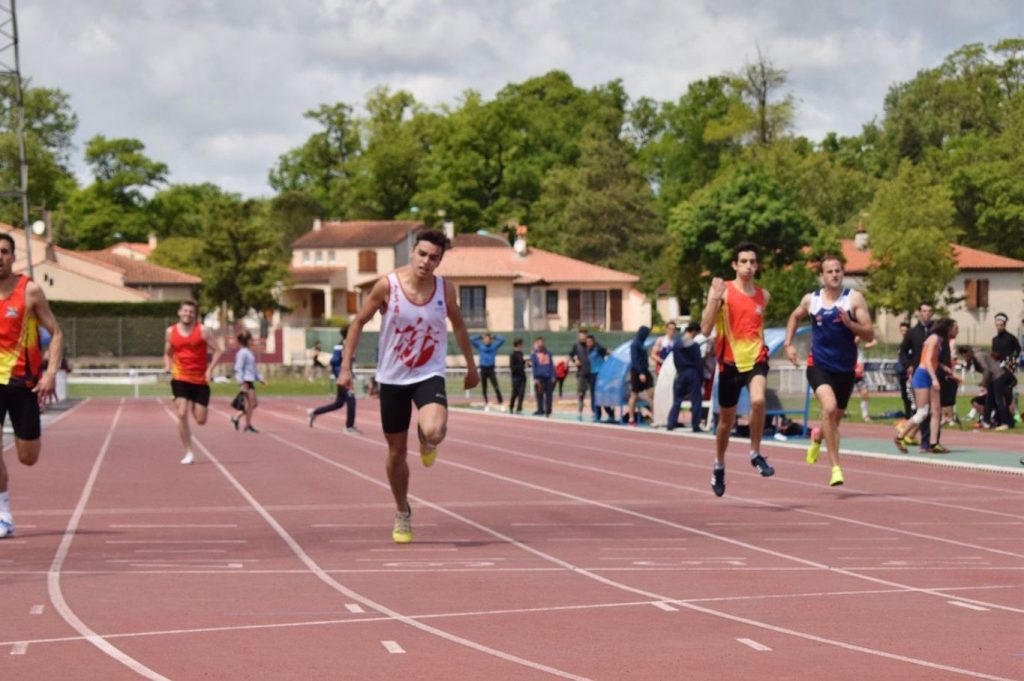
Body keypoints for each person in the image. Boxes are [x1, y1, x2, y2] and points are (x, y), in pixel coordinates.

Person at [338, 228, 479, 544]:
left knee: (433, 431)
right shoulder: (387, 286)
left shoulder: (445, 290)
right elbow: (358, 322)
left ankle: (426, 439)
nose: (427, 262)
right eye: (423, 254)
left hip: (428, 372)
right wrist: (346, 367)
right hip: (392, 378)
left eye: (434, 258)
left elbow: (458, 324)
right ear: (412, 253)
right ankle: (402, 510)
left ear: (439, 262)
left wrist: (472, 367)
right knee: (396, 452)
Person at [784, 255, 874, 487]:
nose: (834, 274)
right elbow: (794, 316)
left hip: (845, 369)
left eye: (838, 271)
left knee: (834, 420)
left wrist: (850, 324)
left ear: (842, 273)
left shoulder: (853, 299)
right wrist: (788, 344)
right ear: (822, 276)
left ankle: (818, 437)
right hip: (819, 366)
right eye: (829, 271)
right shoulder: (811, 300)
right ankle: (835, 467)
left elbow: (869, 334)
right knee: (829, 407)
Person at [700, 241, 775, 497]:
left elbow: (757, 325)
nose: (748, 266)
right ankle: (719, 464)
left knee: (758, 400)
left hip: (756, 359)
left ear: (757, 266)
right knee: (725, 422)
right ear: (735, 265)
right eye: (743, 262)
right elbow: (705, 329)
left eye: (753, 262)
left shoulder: (763, 296)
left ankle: (755, 453)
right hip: (730, 363)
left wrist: (763, 348)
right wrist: (713, 298)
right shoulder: (724, 292)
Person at [0, 233, 63, 539]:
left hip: (22, 382)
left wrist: (50, 373)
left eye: (4, 252)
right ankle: (3, 513)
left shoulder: (31, 291)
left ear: (13, 256)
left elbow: (57, 332)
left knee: (28, 457)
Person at [164, 299, 222, 465]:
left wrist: (210, 369)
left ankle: (189, 402)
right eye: (185, 311)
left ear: (194, 314)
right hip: (180, 377)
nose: (187, 314)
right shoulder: (170, 331)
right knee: (181, 414)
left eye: (191, 312)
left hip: (199, 379)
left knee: (201, 420)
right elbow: (167, 352)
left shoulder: (203, 331)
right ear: (179, 312)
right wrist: (167, 365)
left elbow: (218, 350)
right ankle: (188, 452)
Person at [895, 318, 958, 452]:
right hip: (923, 375)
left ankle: (934, 443)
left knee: (936, 411)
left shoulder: (940, 340)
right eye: (954, 327)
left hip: (930, 374)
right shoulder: (934, 338)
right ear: (947, 327)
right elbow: (928, 361)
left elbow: (934, 360)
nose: (955, 330)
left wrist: (944, 368)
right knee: (922, 413)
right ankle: (900, 436)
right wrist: (935, 379)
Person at [897, 302, 934, 447]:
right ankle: (924, 441)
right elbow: (903, 352)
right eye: (924, 311)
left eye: (929, 311)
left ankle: (917, 436)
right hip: (919, 374)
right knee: (923, 409)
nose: (927, 314)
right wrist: (909, 366)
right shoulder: (912, 332)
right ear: (919, 312)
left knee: (933, 410)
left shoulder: (935, 331)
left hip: (934, 373)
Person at [308, 326, 358, 432]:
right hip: (342, 379)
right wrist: (340, 376)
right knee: (351, 400)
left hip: (347, 378)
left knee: (339, 403)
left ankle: (315, 412)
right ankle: (349, 427)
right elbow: (334, 362)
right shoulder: (339, 347)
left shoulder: (349, 345)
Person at [959, 345, 1013, 430]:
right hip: (992, 378)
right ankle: (986, 422)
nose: (965, 358)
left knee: (998, 400)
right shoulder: (973, 356)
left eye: (964, 356)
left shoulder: (978, 355)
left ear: (967, 353)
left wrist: (984, 382)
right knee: (989, 400)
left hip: (997, 376)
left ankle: (1004, 423)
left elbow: (986, 369)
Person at [666, 322, 704, 432]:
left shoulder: (677, 344)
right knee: (696, 400)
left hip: (680, 373)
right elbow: (698, 363)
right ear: (693, 331)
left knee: (677, 399)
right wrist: (701, 378)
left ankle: (671, 423)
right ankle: (695, 424)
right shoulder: (694, 346)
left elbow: (674, 360)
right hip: (693, 373)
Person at [230, 330, 265, 433]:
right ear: (247, 340)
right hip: (246, 381)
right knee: (251, 404)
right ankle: (246, 425)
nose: (252, 341)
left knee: (251, 404)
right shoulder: (242, 353)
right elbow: (239, 368)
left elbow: (253, 368)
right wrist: (241, 382)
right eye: (251, 339)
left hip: (250, 380)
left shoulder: (248, 352)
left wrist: (259, 378)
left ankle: (237, 419)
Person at [470, 332, 505, 411]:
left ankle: (501, 403)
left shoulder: (494, 346)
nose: (486, 341)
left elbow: (502, 340)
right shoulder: (480, 346)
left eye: (488, 339)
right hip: (483, 369)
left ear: (490, 340)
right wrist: (479, 336)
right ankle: (486, 404)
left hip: (491, 369)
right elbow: (471, 339)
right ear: (483, 340)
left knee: (496, 386)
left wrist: (495, 336)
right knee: (484, 388)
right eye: (485, 339)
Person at [626, 326, 653, 426]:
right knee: (634, 394)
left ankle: (655, 416)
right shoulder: (635, 344)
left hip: (645, 370)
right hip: (637, 372)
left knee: (651, 393)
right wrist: (640, 372)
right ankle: (631, 418)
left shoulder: (642, 343)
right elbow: (635, 359)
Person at [586, 334, 617, 422]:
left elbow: (609, 352)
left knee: (602, 395)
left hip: (601, 375)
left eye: (590, 342)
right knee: (594, 395)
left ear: (593, 341)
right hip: (592, 375)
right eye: (587, 342)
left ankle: (610, 413)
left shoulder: (598, 348)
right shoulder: (589, 350)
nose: (588, 344)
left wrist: (613, 361)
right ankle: (597, 414)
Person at [568, 327, 591, 420]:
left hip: (591, 372)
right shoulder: (576, 346)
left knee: (594, 393)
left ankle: (595, 412)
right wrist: (575, 360)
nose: (582, 336)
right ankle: (580, 411)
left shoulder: (590, 344)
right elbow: (570, 355)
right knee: (581, 393)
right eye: (580, 335)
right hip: (581, 373)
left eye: (584, 334)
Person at [853, 338, 878, 422]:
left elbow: (872, 343)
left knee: (865, 393)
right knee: (841, 396)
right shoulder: (847, 347)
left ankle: (865, 415)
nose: (858, 339)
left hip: (859, 376)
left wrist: (873, 338)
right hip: (848, 374)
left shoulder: (860, 347)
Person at [530, 336, 554, 417]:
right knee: (539, 394)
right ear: (536, 343)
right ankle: (540, 409)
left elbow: (551, 365)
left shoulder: (548, 353)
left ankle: (548, 411)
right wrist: (535, 378)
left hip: (548, 377)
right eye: (539, 342)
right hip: (539, 377)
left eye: (542, 342)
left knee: (549, 395)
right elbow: (534, 366)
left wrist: (553, 375)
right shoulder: (534, 354)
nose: (541, 344)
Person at [893, 321, 913, 418]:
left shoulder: (912, 344)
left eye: (906, 330)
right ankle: (907, 415)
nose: (904, 332)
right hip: (902, 374)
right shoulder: (902, 344)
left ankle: (912, 415)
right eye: (902, 330)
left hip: (910, 373)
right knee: (905, 396)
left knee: (911, 395)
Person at [509, 338, 527, 414]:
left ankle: (519, 409)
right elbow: (512, 367)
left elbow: (522, 363)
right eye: (521, 345)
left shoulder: (521, 354)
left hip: (522, 377)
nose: (522, 346)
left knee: (521, 394)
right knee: (514, 393)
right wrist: (522, 366)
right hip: (515, 377)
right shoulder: (512, 355)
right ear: (518, 345)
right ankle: (511, 407)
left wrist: (526, 363)